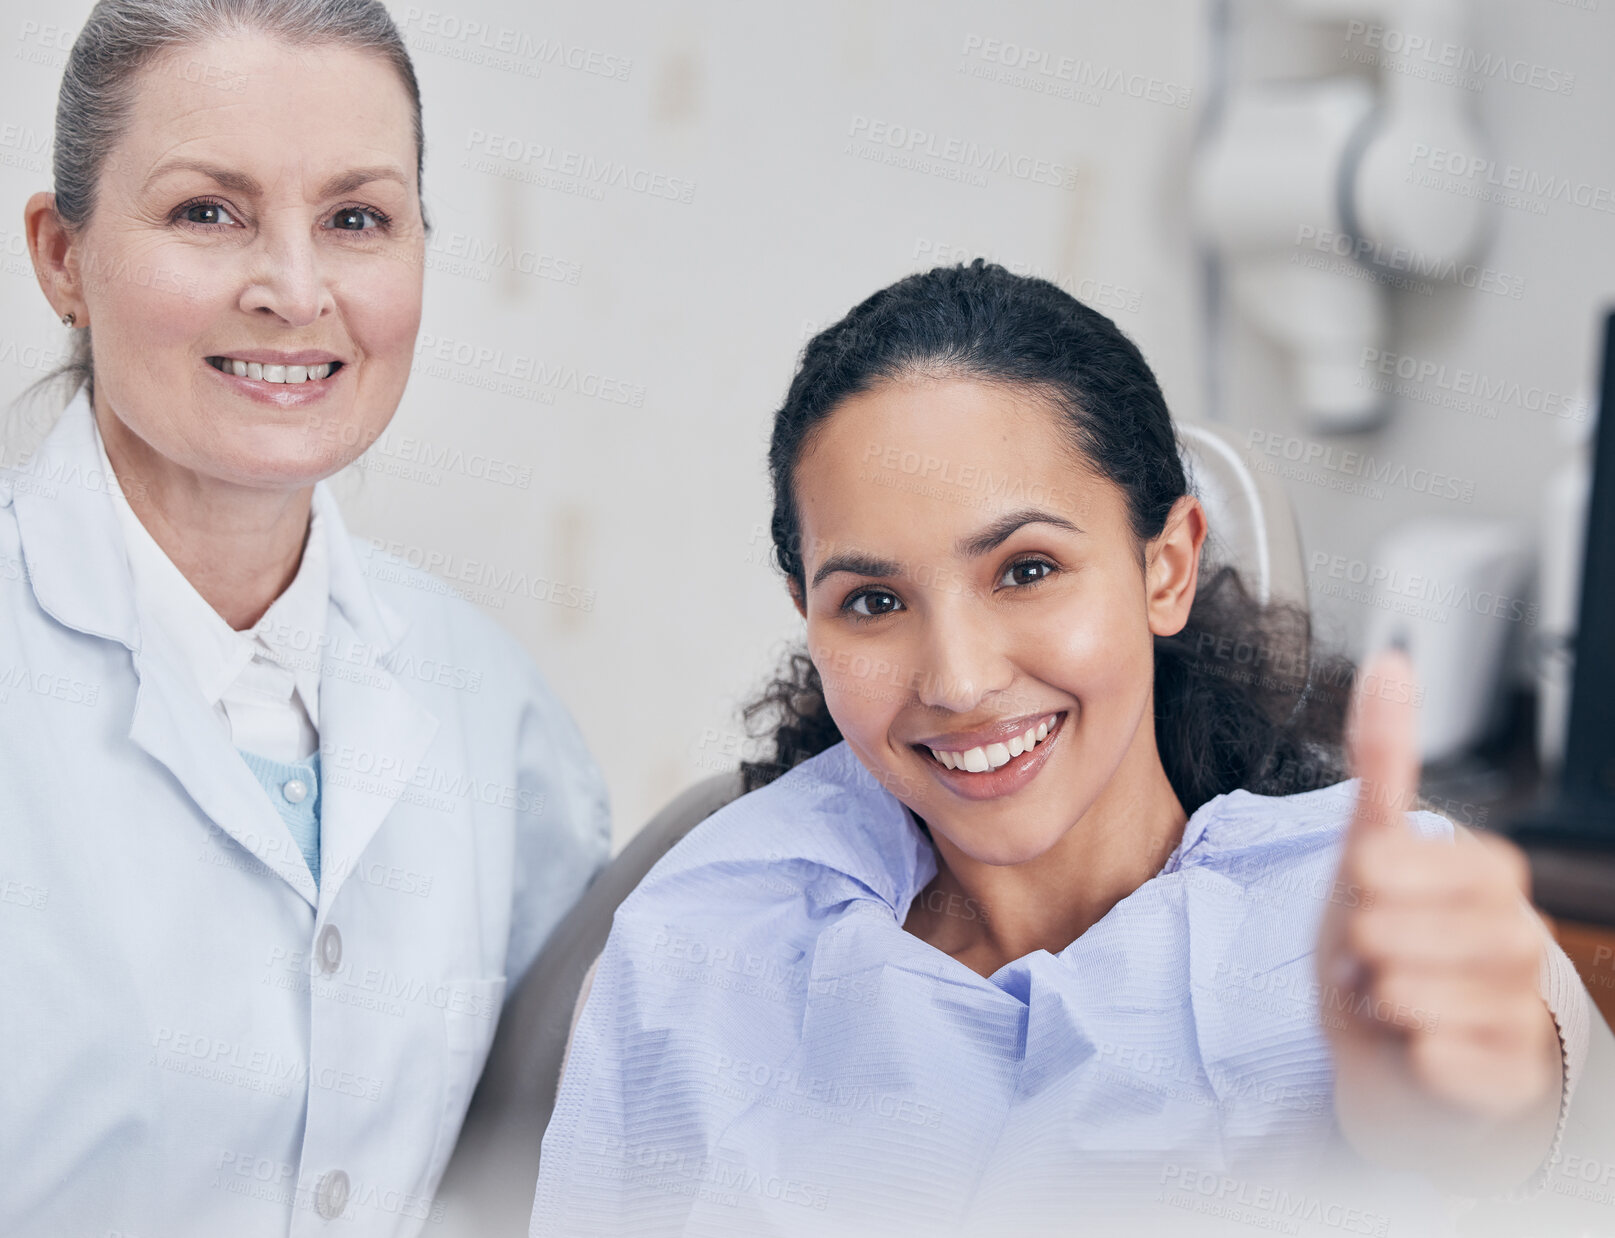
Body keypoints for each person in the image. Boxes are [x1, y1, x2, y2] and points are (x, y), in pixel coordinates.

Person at [533, 261, 1591, 1236]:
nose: (955, 677)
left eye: (1026, 569)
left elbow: (1525, 1126)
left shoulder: (1376, 918)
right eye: (872, 599)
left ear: (1166, 567)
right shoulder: (702, 947)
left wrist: (1450, 1125)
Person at [0, 3, 608, 1235]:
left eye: (356, 219)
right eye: (207, 212)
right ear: (62, 256)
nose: (293, 288)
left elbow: (552, 1149)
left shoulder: (488, 706)